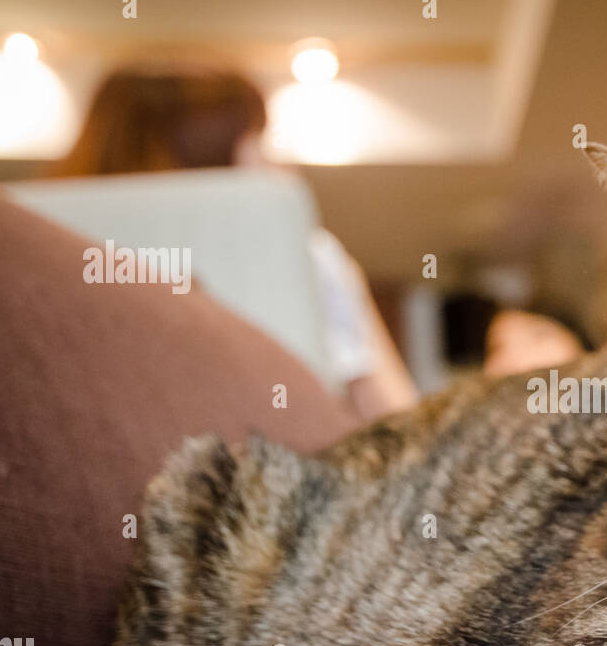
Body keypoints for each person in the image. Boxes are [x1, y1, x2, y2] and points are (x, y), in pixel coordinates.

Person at [54, 61, 419, 421]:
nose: (279, 164)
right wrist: (348, 285)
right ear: (227, 151)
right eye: (259, 140)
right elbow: (397, 425)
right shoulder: (304, 254)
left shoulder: (54, 248)